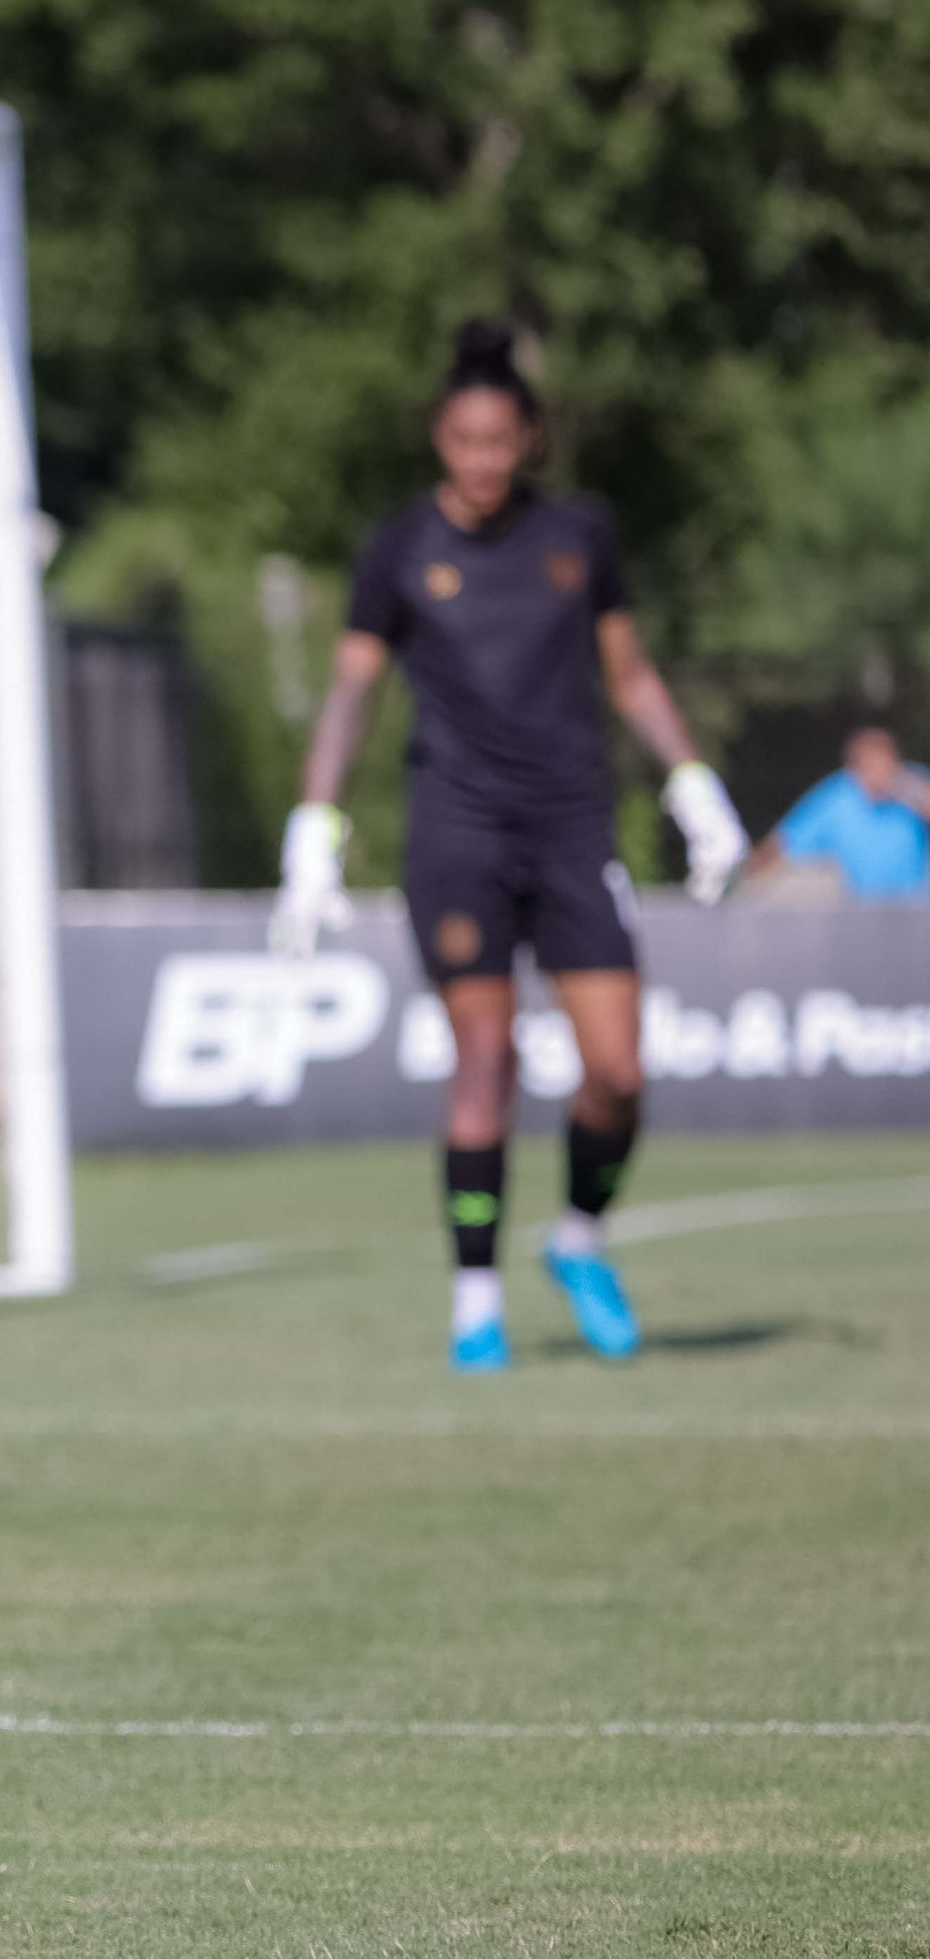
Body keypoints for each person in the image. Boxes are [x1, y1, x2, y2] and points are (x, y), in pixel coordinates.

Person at [272, 319, 745, 1373]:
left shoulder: (580, 534)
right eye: (460, 440)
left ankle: (578, 1237)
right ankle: (474, 1300)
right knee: (482, 1059)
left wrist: (690, 780)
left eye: (497, 441)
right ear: (438, 438)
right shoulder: (398, 548)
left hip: (574, 822)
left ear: (526, 438)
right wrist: (315, 820)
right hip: (457, 830)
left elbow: (629, 675)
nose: (479, 461)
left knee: (616, 1073)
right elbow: (353, 688)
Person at [749, 726, 930, 900]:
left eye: (886, 761)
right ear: (855, 766)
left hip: (914, 908)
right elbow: (786, 840)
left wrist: (909, 789)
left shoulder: (912, 788)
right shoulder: (836, 797)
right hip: (855, 913)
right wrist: (747, 873)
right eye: (871, 762)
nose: (880, 771)